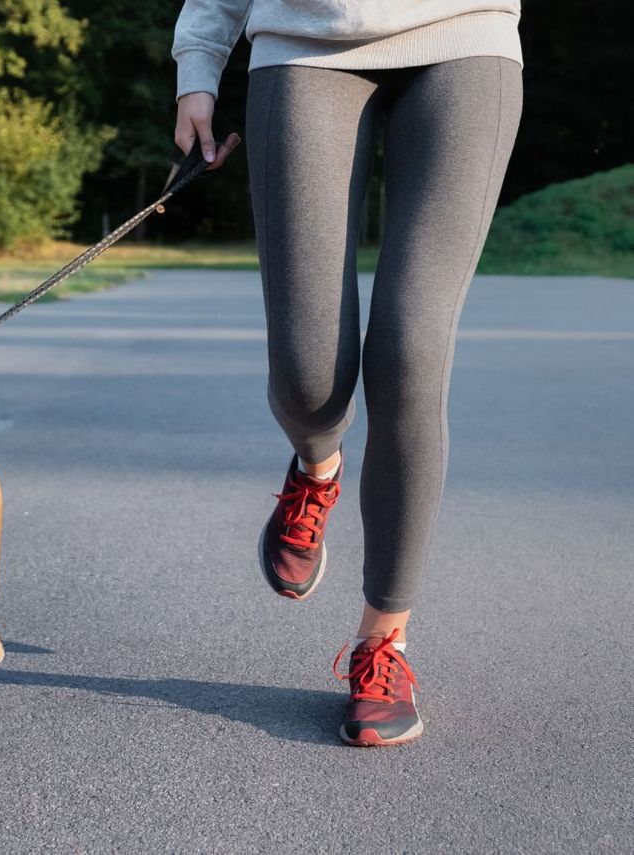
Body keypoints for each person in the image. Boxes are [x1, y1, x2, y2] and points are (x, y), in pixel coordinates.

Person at [171, 1, 522, 746]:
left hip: (467, 36)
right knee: (310, 377)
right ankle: (316, 466)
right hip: (302, 43)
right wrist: (198, 66)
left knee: (410, 352)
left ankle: (382, 644)